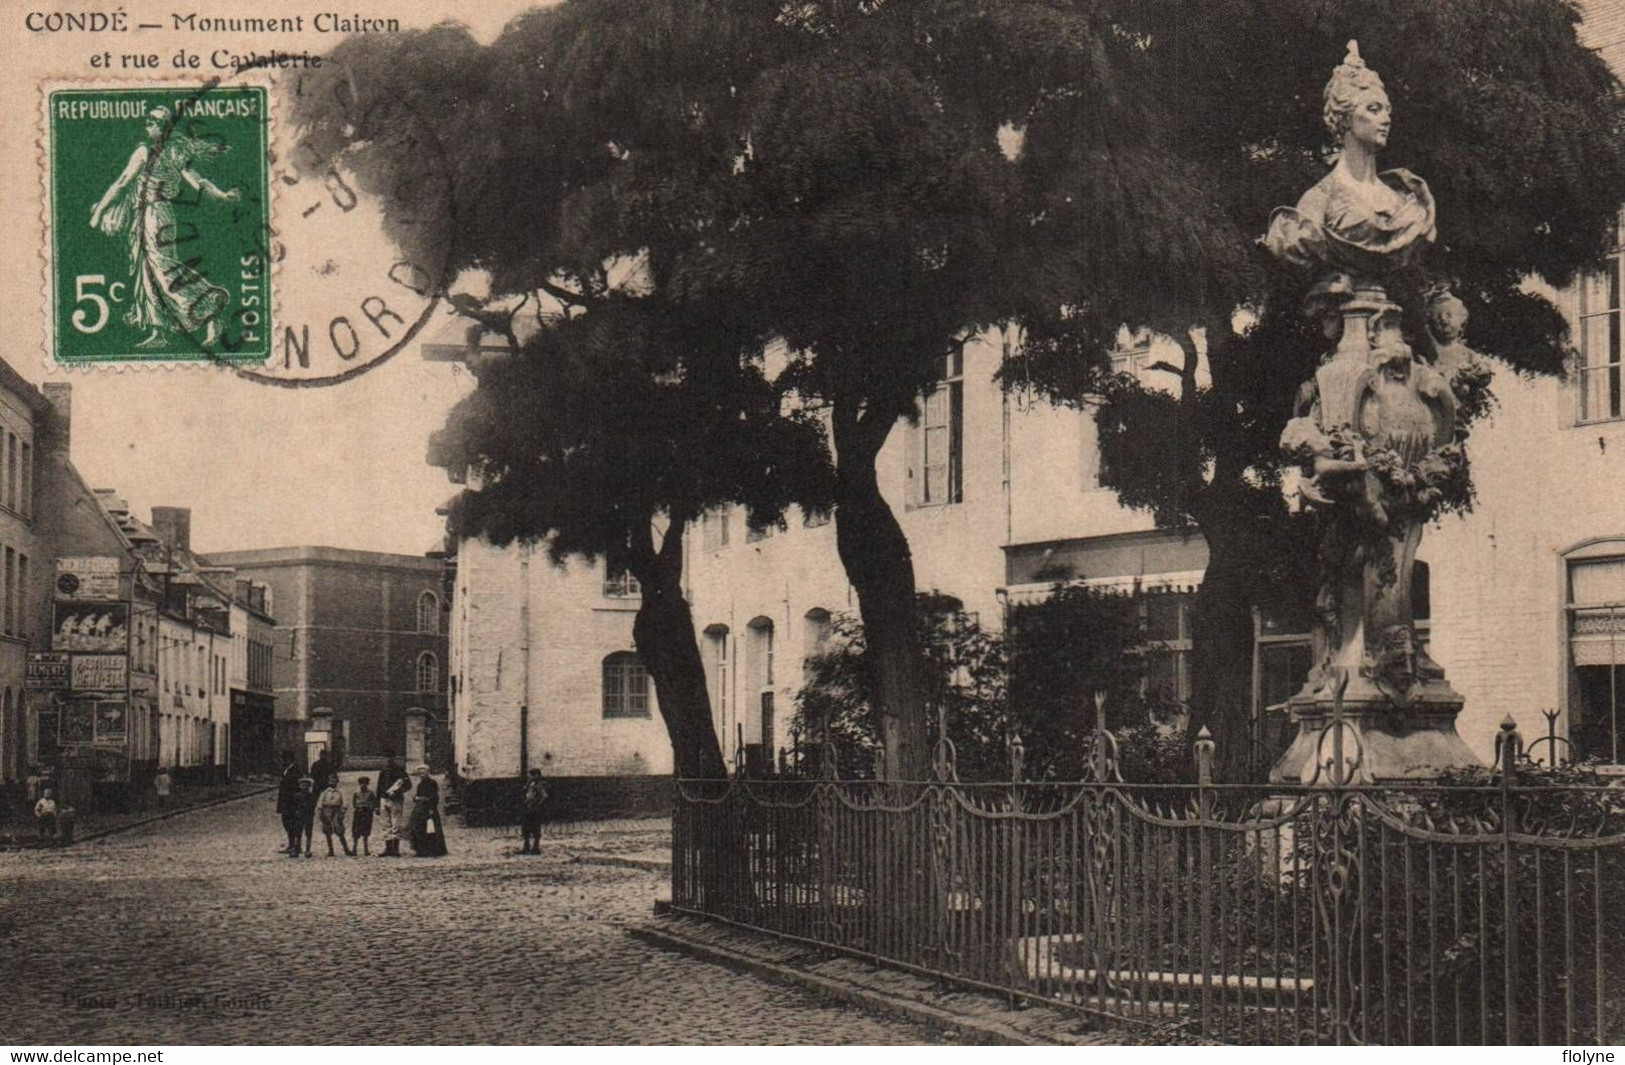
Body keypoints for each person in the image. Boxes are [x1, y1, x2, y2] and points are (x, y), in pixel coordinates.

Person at [88, 106, 239, 349]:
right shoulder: (176, 153)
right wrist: (222, 195)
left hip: (153, 215)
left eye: (153, 121)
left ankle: (211, 307)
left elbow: (122, 182)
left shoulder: (145, 152)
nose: (148, 124)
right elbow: (198, 182)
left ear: (164, 127)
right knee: (147, 272)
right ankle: (159, 332)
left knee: (161, 268)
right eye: (147, 120)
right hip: (158, 214)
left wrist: (98, 213)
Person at [407, 764, 447, 858]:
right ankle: (420, 849)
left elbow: (434, 797)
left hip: (429, 808)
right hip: (420, 809)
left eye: (423, 773)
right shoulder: (420, 785)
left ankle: (432, 850)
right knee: (418, 828)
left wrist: (430, 808)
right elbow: (417, 796)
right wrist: (416, 798)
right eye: (420, 774)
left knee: (430, 830)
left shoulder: (432, 783)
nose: (421, 775)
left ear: (428, 773)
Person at [377, 751, 410, 858]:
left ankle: (395, 849)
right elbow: (379, 786)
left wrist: (397, 792)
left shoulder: (400, 770)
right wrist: (377, 804)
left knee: (396, 823)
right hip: (384, 798)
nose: (388, 760)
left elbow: (408, 785)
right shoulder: (383, 771)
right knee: (385, 824)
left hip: (396, 800)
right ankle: (388, 848)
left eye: (390, 757)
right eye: (386, 758)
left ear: (394, 758)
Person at [317, 775, 353, 857]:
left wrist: (342, 811)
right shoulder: (325, 792)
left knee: (339, 830)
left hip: (337, 810)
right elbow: (320, 802)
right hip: (327, 810)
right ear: (328, 782)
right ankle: (331, 850)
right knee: (327, 830)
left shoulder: (340, 792)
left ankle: (346, 849)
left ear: (337, 782)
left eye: (334, 781)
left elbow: (344, 802)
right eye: (331, 781)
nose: (333, 782)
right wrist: (320, 811)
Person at [275, 752, 302, 857]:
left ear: (289, 759)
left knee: (292, 824)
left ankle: (295, 846)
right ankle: (292, 845)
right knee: (286, 823)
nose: (283, 761)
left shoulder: (295, 771)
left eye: (285, 759)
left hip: (291, 802)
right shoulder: (286, 771)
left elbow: (296, 786)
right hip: (285, 802)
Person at [520, 769, 549, 855]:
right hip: (529, 808)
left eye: (532, 775)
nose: (530, 777)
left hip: (534, 809)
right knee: (526, 828)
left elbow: (544, 796)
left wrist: (537, 805)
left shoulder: (538, 785)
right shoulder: (531, 784)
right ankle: (527, 847)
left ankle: (535, 848)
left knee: (535, 828)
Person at [351, 777, 377, 856]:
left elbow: (374, 803)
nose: (363, 785)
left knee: (366, 831)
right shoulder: (356, 793)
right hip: (358, 812)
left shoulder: (370, 793)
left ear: (367, 784)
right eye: (361, 783)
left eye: (365, 783)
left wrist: (370, 809)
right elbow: (354, 803)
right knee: (356, 831)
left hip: (367, 813)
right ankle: (354, 849)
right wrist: (358, 808)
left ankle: (366, 849)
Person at [296, 776, 318, 857]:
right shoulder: (297, 796)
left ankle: (307, 850)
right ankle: (297, 849)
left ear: (309, 786)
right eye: (302, 785)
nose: (303, 787)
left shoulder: (312, 796)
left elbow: (312, 805)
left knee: (308, 833)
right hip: (299, 816)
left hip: (308, 816)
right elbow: (294, 806)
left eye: (305, 785)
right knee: (298, 833)